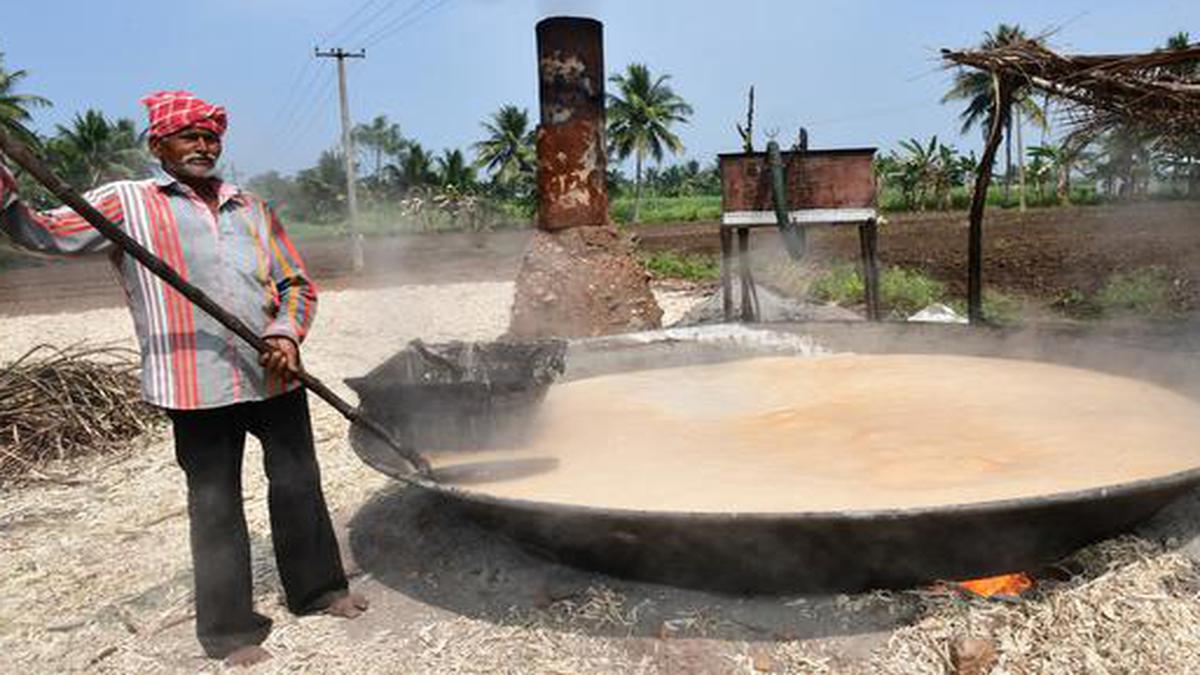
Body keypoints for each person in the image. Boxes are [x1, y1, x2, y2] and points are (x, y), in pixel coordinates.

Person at [0, 90, 367, 667]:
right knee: (215, 503)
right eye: (188, 136)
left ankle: (318, 590)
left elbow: (296, 283)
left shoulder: (250, 206)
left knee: (297, 482)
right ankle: (229, 632)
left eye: (211, 136)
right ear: (157, 145)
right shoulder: (127, 203)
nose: (202, 146)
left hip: (273, 374)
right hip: (194, 383)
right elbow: (43, 232)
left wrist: (285, 335)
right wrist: (4, 190)